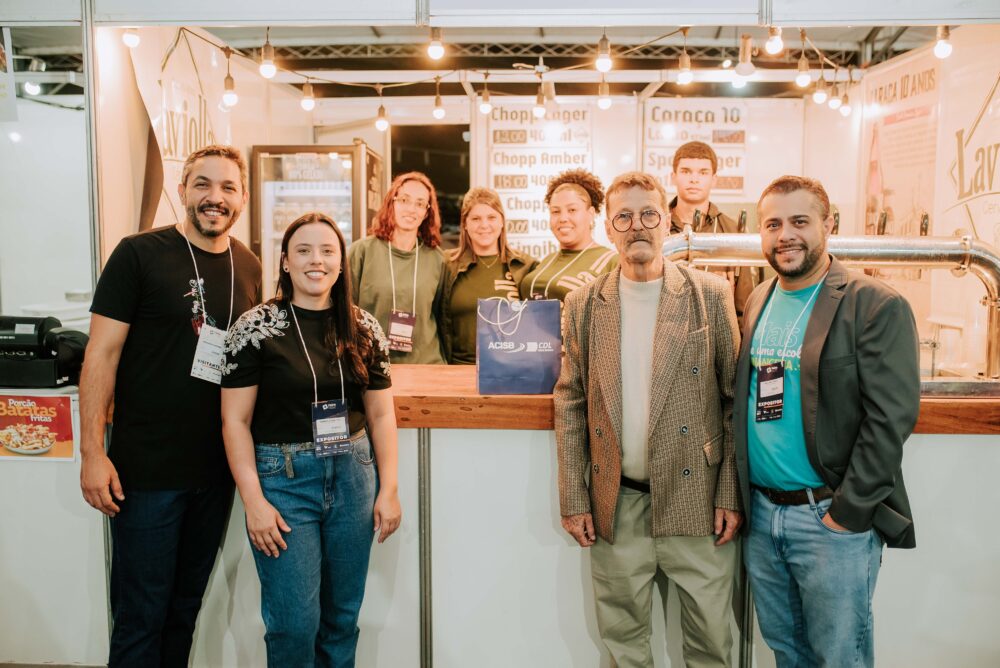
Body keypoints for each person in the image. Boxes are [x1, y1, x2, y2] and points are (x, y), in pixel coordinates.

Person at [79, 145, 262, 667]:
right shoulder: (138, 254)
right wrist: (92, 452)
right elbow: (100, 355)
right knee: (141, 618)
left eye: (227, 188)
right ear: (182, 190)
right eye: (202, 184)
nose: (214, 197)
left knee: (184, 612)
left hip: (215, 474)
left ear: (242, 199)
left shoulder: (248, 265)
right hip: (146, 474)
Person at [555, 171, 742, 667]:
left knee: (711, 648)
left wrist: (729, 492)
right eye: (623, 216)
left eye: (648, 214)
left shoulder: (710, 294)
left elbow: (733, 401)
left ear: (667, 223)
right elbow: (571, 402)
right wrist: (574, 498)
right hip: (618, 503)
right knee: (624, 651)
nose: (637, 226)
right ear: (608, 228)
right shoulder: (583, 305)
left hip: (698, 502)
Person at [734, 175, 919, 668]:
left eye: (799, 221)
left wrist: (847, 514)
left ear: (828, 224)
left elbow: (890, 421)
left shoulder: (874, 303)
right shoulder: (760, 298)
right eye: (773, 224)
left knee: (839, 657)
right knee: (786, 652)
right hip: (763, 515)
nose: (785, 235)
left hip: (828, 519)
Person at [221, 212, 401, 667]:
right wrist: (253, 501)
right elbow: (235, 422)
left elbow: (381, 414)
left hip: (354, 476)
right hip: (283, 482)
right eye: (303, 251)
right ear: (285, 261)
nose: (315, 260)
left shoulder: (364, 327)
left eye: (326, 251)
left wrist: (390, 489)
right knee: (293, 623)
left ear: (341, 263)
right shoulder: (254, 328)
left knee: (342, 617)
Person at [348, 171, 447, 364]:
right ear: (391, 203)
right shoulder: (361, 252)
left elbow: (441, 317)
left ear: (427, 213)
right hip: (372, 365)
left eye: (420, 204)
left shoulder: (437, 259)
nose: (411, 209)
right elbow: (345, 311)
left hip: (427, 365)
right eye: (404, 200)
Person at [442, 187, 537, 364]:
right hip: (457, 369)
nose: (484, 225)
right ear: (465, 224)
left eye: (491, 217)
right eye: (476, 218)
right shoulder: (446, 265)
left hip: (509, 369)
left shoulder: (525, 266)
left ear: (502, 222)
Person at [668, 141, 758, 323]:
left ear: (714, 179)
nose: (694, 179)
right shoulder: (656, 226)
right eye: (686, 171)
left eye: (703, 172)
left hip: (716, 332)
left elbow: (744, 308)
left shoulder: (733, 231)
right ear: (673, 177)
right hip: (665, 330)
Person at [519, 168, 618, 302]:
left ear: (590, 214)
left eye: (572, 210)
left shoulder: (612, 262)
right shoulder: (547, 260)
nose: (563, 218)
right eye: (555, 211)